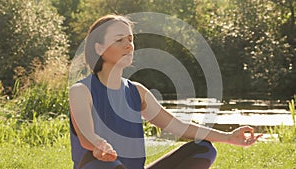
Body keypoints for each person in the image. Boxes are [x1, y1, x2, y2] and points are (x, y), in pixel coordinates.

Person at [69, 14, 262, 169]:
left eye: (130, 39)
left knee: (203, 149)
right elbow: (86, 136)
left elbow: (179, 127)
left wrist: (228, 137)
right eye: (119, 39)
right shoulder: (81, 90)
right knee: (106, 164)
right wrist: (98, 145)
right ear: (99, 47)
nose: (129, 45)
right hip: (99, 165)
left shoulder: (136, 91)